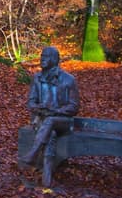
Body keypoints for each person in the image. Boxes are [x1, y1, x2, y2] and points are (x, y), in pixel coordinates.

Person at [19, 46, 79, 186]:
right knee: (50, 133)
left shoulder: (69, 80)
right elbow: (31, 102)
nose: (42, 59)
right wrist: (38, 108)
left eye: (46, 56)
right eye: (41, 56)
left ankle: (33, 153)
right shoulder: (37, 78)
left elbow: (74, 106)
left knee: (51, 121)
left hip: (62, 121)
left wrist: (56, 110)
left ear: (54, 59)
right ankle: (47, 180)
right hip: (42, 119)